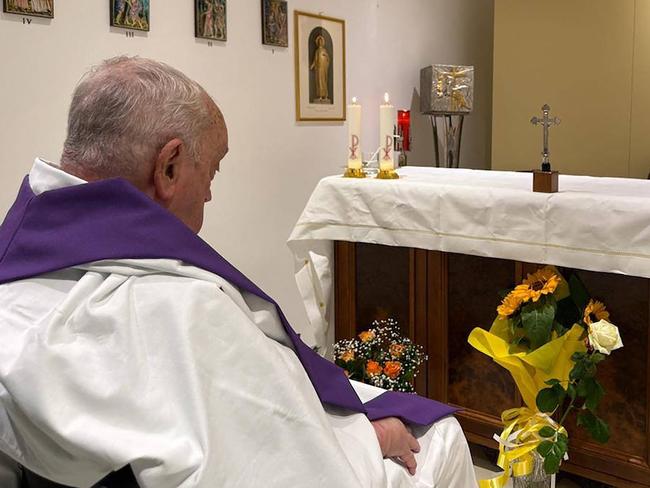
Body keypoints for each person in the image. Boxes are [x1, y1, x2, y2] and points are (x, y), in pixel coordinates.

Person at [0, 56, 477, 487]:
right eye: (212, 171)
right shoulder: (181, 307)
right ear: (168, 168)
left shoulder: (18, 264)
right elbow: (279, 466)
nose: (208, 194)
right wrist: (370, 439)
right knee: (442, 437)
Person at [310, 34, 330, 103]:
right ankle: (320, 95)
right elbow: (315, 60)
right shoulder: (317, 51)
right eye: (319, 41)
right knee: (319, 81)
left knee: (324, 80)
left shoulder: (324, 50)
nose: (320, 43)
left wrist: (326, 56)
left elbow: (328, 59)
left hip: (324, 68)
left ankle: (325, 95)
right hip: (318, 68)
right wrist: (312, 65)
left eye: (321, 41)